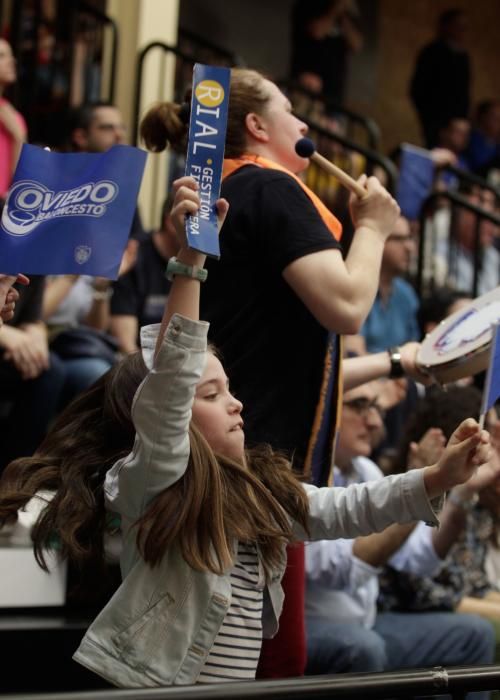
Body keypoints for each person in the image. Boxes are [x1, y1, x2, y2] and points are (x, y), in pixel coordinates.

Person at [0, 177, 491, 688]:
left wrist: (437, 477)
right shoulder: (158, 483)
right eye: (209, 395)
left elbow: (350, 508)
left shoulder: (261, 494)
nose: (236, 403)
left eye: (228, 389)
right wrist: (191, 263)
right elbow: (172, 378)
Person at [139, 67, 423, 678]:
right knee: (272, 665)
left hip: (216, 461)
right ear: (257, 126)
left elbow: (276, 351)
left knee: (227, 659)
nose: (303, 123)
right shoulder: (273, 189)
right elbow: (347, 305)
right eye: (291, 110)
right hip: (261, 468)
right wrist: (373, 227)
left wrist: (400, 361)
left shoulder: (235, 196)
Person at [305, 380, 496, 699]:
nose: (376, 421)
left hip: (368, 623)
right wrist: (422, 488)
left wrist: (460, 493)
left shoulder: (365, 468)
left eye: (378, 409)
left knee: (475, 634)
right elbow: (347, 570)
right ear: (324, 408)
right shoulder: (302, 475)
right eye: (360, 406)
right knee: (365, 649)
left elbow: (418, 559)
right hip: (319, 629)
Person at [110, 196, 177, 354]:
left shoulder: (205, 261)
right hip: (137, 363)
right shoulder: (133, 255)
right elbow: (126, 347)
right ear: (171, 222)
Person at [410, 9, 470, 148]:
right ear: (445, 26)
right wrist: (435, 121)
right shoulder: (432, 52)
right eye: (457, 25)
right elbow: (418, 89)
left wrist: (462, 119)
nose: (461, 31)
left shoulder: (463, 57)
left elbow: (464, 92)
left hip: (458, 122)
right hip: (436, 122)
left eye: (464, 27)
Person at [0, 38, 27, 198]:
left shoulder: (13, 115)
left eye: (11, 55)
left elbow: (22, 178)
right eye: (2, 56)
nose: (12, 61)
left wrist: (18, 136)